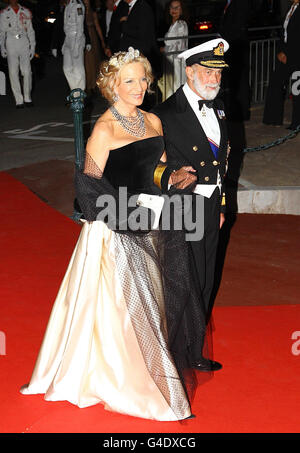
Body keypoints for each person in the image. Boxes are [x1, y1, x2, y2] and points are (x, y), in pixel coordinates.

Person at [20, 47, 211, 421]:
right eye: (130, 81)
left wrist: (174, 176)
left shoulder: (153, 122)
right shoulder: (104, 129)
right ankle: (132, 380)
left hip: (154, 219)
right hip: (116, 227)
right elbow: (88, 187)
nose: (139, 86)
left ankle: (154, 364)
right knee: (124, 311)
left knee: (160, 297)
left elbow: (156, 170)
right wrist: (126, 215)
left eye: (143, 79)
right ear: (112, 86)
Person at [152, 39, 231, 371]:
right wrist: (170, 174)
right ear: (188, 71)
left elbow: (223, 162)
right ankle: (170, 354)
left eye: (218, 75)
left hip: (211, 206)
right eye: (206, 73)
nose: (214, 81)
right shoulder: (165, 114)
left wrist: (222, 201)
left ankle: (194, 351)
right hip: (183, 207)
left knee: (204, 279)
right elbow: (148, 167)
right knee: (182, 281)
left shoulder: (220, 108)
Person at [263, 0, 300, 129]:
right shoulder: (291, 8)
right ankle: (272, 118)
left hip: (296, 57)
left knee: (297, 90)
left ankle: (297, 123)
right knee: (275, 82)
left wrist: (287, 53)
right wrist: (281, 51)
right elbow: (284, 33)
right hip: (285, 53)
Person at [219, 0, 251, 121]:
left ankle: (241, 113)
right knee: (233, 81)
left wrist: (226, 38)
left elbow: (238, 24)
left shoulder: (240, 3)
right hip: (231, 46)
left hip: (236, 47)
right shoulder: (227, 3)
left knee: (239, 81)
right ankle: (235, 111)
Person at [0, 0, 35, 108]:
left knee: (27, 71)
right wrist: (2, 46)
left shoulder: (26, 11)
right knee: (13, 71)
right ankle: (19, 100)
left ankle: (27, 97)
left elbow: (30, 30)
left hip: (23, 40)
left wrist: (32, 46)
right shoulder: (4, 13)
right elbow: (2, 32)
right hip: (11, 41)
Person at [52, 0, 91, 91]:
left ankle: (80, 96)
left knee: (78, 68)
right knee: (66, 68)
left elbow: (80, 26)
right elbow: (65, 26)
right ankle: (75, 91)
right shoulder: (67, 5)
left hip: (76, 38)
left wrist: (77, 44)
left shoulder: (78, 6)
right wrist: (64, 42)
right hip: (68, 38)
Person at [158, 0, 189, 100]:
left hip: (177, 63)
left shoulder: (181, 24)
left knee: (175, 88)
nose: (174, 10)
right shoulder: (173, 24)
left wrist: (164, 49)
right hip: (170, 61)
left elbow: (179, 46)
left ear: (182, 10)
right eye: (172, 7)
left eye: (177, 7)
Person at [83, 0, 106, 95]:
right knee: (85, 61)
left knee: (93, 61)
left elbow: (97, 27)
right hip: (84, 37)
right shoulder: (80, 11)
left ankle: (93, 85)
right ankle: (86, 85)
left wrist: (102, 41)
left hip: (92, 37)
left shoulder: (93, 13)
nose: (86, 2)